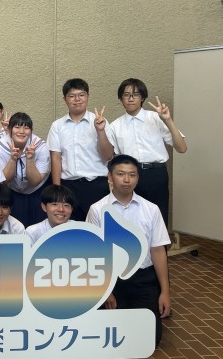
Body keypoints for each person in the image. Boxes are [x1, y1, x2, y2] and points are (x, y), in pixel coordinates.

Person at [87, 155, 171, 347]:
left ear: (138, 178)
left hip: (143, 280)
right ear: (110, 176)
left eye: (132, 175)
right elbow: (94, 254)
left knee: (149, 340)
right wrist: (105, 291)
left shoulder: (151, 209)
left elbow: (158, 251)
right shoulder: (97, 209)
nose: (127, 180)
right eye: (121, 174)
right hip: (112, 280)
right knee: (108, 337)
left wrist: (165, 292)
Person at [107, 78, 187, 226]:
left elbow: (182, 148)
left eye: (135, 94)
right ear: (121, 99)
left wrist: (168, 120)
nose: (131, 99)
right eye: (126, 95)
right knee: (130, 219)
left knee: (158, 218)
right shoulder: (114, 126)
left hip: (156, 174)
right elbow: (111, 157)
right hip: (129, 176)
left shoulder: (156, 118)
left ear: (142, 97)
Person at [47, 78, 113, 221]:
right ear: (65, 99)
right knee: (71, 229)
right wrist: (57, 191)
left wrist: (100, 131)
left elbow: (108, 156)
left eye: (81, 95)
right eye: (72, 96)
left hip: (97, 185)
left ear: (88, 97)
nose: (77, 99)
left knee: (98, 228)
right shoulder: (57, 126)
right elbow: (56, 158)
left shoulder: (101, 122)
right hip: (68, 186)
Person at [0, 112, 50, 228]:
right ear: (9, 129)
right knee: (15, 226)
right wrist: (13, 159)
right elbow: (3, 180)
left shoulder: (40, 146)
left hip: (37, 190)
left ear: (31, 131)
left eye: (26, 128)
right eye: (17, 127)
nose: (22, 131)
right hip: (12, 189)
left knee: (38, 225)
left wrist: (30, 159)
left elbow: (35, 181)